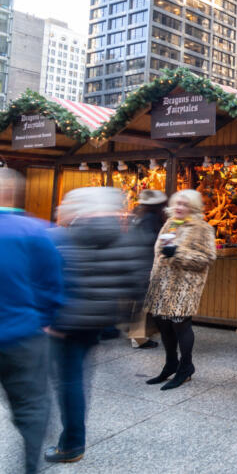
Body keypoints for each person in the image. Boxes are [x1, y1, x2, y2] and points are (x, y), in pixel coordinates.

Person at [44, 187, 153, 464]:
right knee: (78, 378)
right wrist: (127, 320)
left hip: (67, 323)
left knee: (68, 382)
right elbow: (138, 283)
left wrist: (52, 318)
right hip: (98, 320)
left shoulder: (69, 235)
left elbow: (58, 276)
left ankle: (71, 445)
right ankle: (70, 436)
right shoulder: (124, 238)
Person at [0, 168, 65, 474]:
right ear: (13, 192)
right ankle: (30, 466)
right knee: (31, 404)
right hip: (23, 335)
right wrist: (45, 319)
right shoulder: (36, 231)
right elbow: (52, 283)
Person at [144, 189, 216, 391]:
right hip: (161, 284)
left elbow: (207, 258)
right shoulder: (170, 223)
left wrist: (178, 253)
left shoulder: (202, 228)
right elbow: (159, 251)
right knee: (163, 324)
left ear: (193, 207)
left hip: (184, 286)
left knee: (180, 325)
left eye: (184, 204)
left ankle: (186, 367)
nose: (179, 207)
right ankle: (170, 364)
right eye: (177, 203)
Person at [127, 189, 168, 349]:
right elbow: (151, 241)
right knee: (142, 304)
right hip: (146, 265)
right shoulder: (151, 219)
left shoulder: (138, 216)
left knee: (141, 303)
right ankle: (138, 338)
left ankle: (139, 334)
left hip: (136, 263)